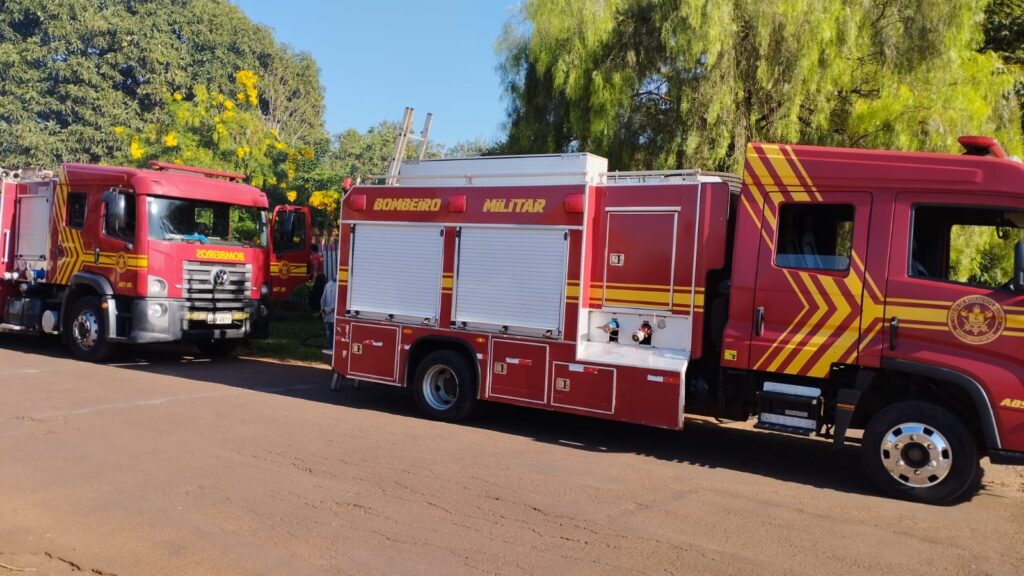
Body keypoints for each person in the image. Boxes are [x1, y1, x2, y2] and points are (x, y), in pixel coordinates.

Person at [308, 244, 326, 312]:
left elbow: (315, 270)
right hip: (322, 277)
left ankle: (315, 311)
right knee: (320, 295)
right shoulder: (320, 256)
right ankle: (319, 311)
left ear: (311, 250)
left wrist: (312, 282)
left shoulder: (314, 257)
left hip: (317, 278)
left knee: (314, 295)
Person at [320, 279, 337, 353]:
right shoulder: (341, 285)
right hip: (335, 318)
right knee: (334, 337)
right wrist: (325, 311)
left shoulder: (328, 284)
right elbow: (337, 304)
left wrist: (324, 312)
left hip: (328, 317)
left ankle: (331, 352)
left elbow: (322, 301)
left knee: (330, 337)